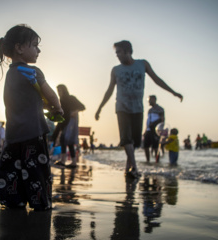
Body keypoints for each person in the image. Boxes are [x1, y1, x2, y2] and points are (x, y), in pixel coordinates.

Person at [0, 24, 63, 210]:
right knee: (36, 170)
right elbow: (50, 95)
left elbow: (25, 100)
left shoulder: (11, 73)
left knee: (12, 169)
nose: (38, 50)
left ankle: (13, 199)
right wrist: (58, 108)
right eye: (34, 45)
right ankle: (39, 202)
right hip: (33, 132)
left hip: (14, 133)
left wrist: (43, 104)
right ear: (19, 48)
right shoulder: (32, 71)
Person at [95, 40, 183, 178]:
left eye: (118, 52)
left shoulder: (142, 64)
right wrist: (99, 108)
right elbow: (109, 91)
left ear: (127, 51)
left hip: (138, 109)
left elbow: (157, 79)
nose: (117, 55)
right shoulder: (116, 70)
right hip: (122, 108)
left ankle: (128, 165)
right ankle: (134, 168)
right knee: (126, 138)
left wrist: (173, 92)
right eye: (116, 52)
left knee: (135, 141)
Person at [52, 84, 85, 168]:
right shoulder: (61, 100)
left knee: (66, 140)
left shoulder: (71, 98)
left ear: (64, 90)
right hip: (64, 122)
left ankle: (67, 161)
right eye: (58, 91)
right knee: (66, 141)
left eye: (60, 90)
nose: (59, 93)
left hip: (71, 123)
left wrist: (75, 111)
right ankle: (70, 162)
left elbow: (82, 107)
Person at [143, 95, 164, 162]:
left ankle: (157, 161)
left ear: (154, 99)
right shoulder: (150, 110)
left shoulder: (160, 109)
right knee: (145, 146)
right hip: (148, 130)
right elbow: (148, 121)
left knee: (155, 147)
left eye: (150, 100)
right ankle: (147, 161)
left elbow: (162, 119)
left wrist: (160, 130)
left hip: (155, 130)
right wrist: (145, 130)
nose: (148, 101)